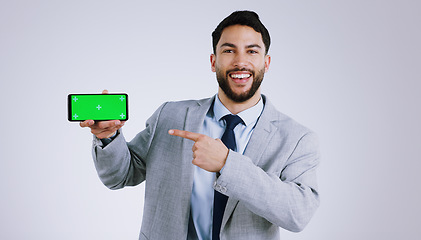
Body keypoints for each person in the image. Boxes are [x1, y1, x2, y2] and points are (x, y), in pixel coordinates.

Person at [81, 10, 320, 240]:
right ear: (213, 61)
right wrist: (108, 137)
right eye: (229, 50)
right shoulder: (170, 115)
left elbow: (298, 214)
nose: (240, 61)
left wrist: (228, 163)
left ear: (266, 63)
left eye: (251, 51)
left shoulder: (296, 138)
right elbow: (121, 176)